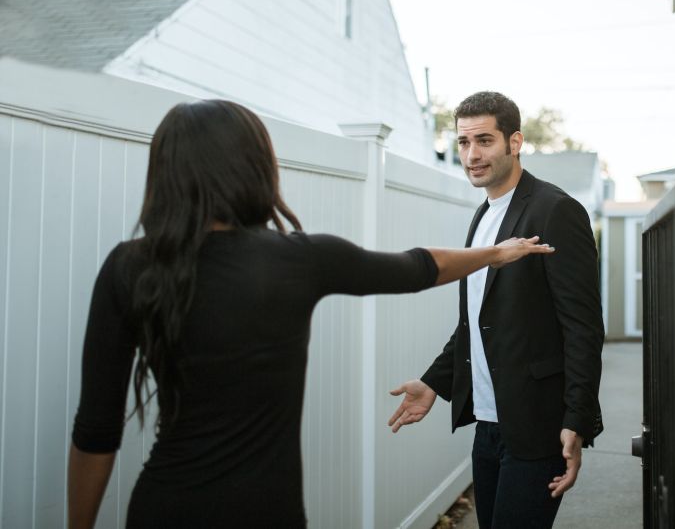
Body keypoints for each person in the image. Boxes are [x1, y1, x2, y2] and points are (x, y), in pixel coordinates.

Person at [67, 99, 554, 529]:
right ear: (254, 167)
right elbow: (418, 266)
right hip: (265, 511)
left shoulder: (130, 267)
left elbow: (95, 432)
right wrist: (494, 254)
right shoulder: (297, 258)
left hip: (163, 506)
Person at [388, 91, 604, 529]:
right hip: (486, 425)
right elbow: (476, 322)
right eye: (463, 143)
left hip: (537, 425)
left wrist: (576, 420)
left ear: (515, 141)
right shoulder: (483, 215)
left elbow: (582, 326)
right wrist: (434, 382)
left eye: (484, 140)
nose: (472, 155)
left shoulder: (556, 209)